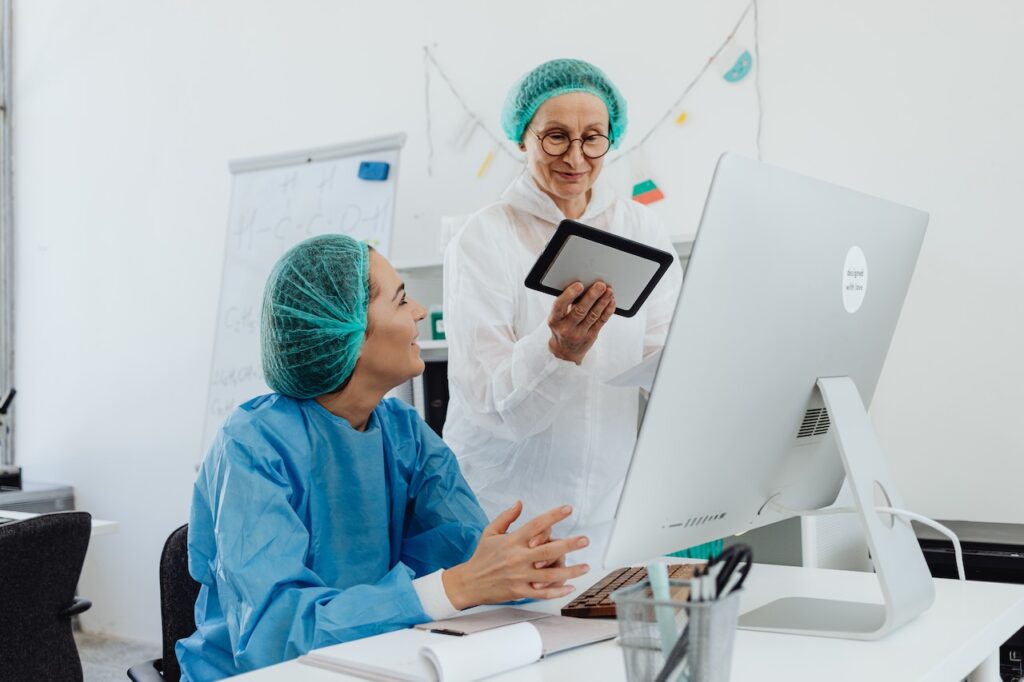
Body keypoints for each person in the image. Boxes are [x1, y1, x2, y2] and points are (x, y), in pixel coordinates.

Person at [177, 235, 590, 681]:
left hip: (377, 659)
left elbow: (462, 550)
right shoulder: (251, 446)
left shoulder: (402, 430)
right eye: (401, 300)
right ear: (346, 334)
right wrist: (460, 585)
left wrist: (518, 566)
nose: (418, 311)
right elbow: (275, 637)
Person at [443, 59, 721, 565]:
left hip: (605, 513)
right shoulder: (484, 237)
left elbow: (664, 354)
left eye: (593, 138)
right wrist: (557, 351)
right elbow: (484, 399)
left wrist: (703, 355)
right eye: (555, 137)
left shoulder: (641, 230)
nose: (576, 157)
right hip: (501, 512)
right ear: (522, 138)